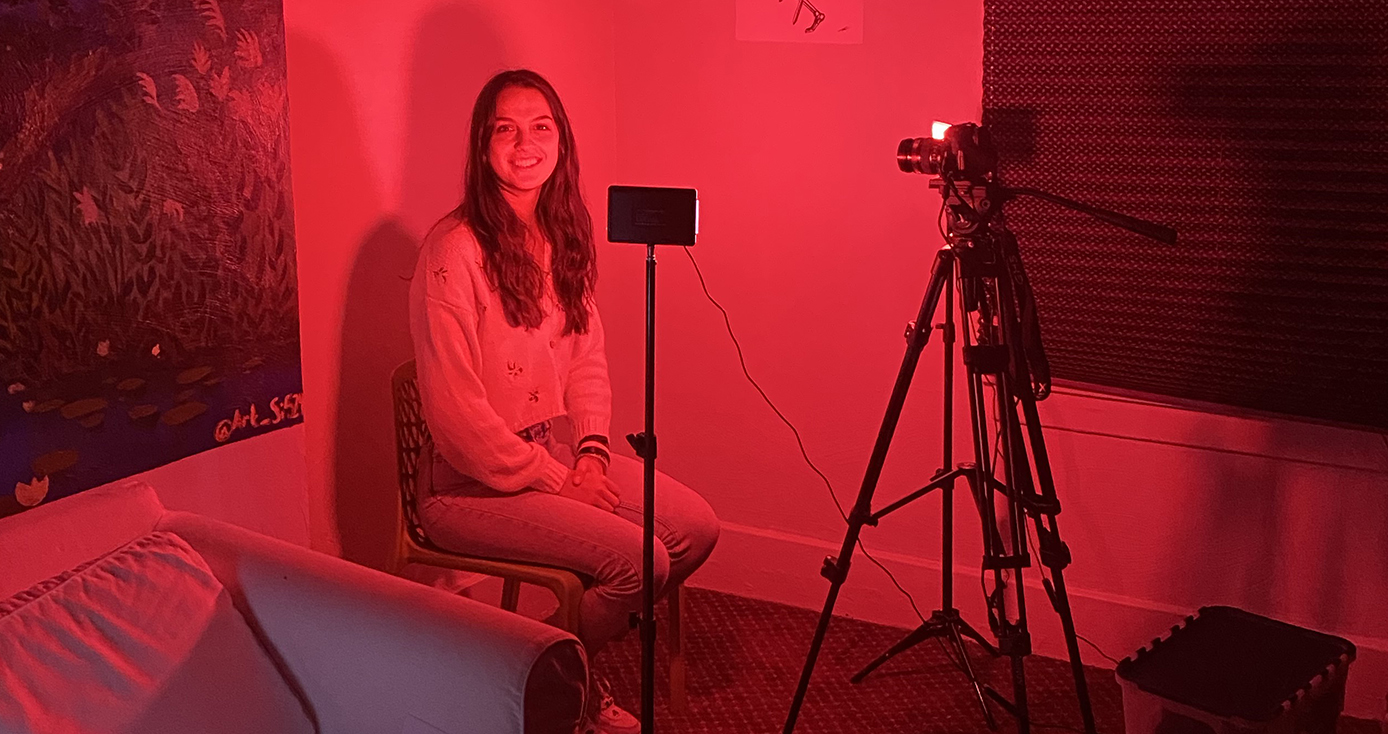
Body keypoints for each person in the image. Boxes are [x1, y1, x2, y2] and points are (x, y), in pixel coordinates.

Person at [408, 69, 720, 734]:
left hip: (552, 452)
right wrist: (557, 481)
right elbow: (458, 419)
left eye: (540, 126)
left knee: (694, 528)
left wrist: (592, 454)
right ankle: (556, 683)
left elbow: (587, 359)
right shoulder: (454, 249)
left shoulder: (559, 234)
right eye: (506, 128)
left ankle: (529, 660)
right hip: (469, 484)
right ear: (482, 145)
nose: (526, 143)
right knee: (640, 560)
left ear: (561, 141)